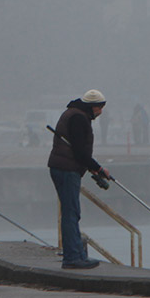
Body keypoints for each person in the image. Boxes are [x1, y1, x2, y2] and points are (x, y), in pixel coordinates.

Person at [47, 89, 113, 269]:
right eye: (100, 108)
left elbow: (78, 152)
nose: (101, 112)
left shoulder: (74, 114)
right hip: (67, 170)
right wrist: (98, 168)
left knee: (71, 212)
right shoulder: (78, 118)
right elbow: (79, 151)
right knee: (71, 214)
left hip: (64, 168)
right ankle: (73, 258)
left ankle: (77, 255)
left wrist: (93, 168)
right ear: (93, 107)